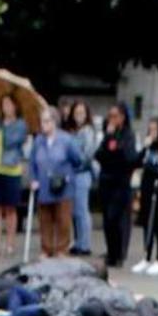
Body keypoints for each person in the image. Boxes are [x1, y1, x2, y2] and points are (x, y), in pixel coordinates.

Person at [30, 107, 85, 258]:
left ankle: (62, 249)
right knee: (45, 219)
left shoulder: (66, 140)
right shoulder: (38, 141)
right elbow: (32, 163)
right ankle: (46, 249)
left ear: (55, 122)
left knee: (63, 219)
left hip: (63, 186)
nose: (43, 125)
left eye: (47, 121)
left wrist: (69, 175)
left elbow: (79, 160)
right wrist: (34, 179)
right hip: (44, 185)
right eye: (42, 121)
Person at [0, 94, 28, 257]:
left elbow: (11, 141)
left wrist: (3, 128)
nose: (6, 107)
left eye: (9, 104)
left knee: (10, 208)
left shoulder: (20, 125)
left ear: (15, 106)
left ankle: (10, 244)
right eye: (3, 104)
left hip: (11, 168)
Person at [96, 103, 137, 268]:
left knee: (118, 219)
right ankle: (111, 252)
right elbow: (99, 154)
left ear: (122, 117)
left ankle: (120, 253)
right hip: (107, 180)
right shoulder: (108, 135)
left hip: (121, 182)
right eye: (109, 116)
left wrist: (115, 150)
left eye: (115, 116)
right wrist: (108, 138)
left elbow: (128, 157)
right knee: (107, 220)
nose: (111, 120)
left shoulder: (128, 135)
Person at [133, 117, 158, 276]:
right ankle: (146, 256)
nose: (152, 133)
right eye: (150, 130)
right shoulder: (149, 148)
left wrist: (151, 167)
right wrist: (144, 147)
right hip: (147, 188)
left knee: (157, 224)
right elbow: (136, 161)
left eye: (155, 130)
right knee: (146, 223)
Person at [65, 101, 99, 256]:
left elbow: (87, 154)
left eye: (82, 113)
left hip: (82, 173)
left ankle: (85, 244)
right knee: (74, 211)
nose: (79, 116)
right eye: (76, 112)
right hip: (71, 174)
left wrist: (75, 163)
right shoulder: (71, 131)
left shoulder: (88, 131)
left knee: (82, 210)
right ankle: (77, 241)